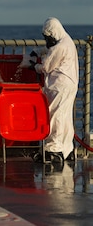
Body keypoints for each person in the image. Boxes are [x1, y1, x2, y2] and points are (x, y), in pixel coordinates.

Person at [29, 17, 79, 163]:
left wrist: (32, 66)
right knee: (65, 117)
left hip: (59, 86)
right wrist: (39, 51)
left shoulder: (59, 47)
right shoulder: (67, 41)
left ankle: (53, 148)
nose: (47, 40)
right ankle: (67, 148)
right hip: (69, 85)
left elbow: (46, 67)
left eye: (48, 37)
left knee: (55, 116)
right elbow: (51, 50)